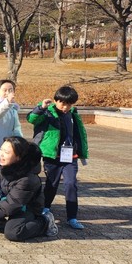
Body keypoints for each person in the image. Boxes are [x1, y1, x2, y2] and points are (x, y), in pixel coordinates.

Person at [27, 86, 89, 230]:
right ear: (56, 100)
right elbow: (32, 118)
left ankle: (72, 217)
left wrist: (81, 151)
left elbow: (79, 133)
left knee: (71, 184)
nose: (65, 107)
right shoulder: (48, 112)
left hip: (70, 156)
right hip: (52, 156)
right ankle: (45, 208)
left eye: (69, 104)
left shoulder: (73, 114)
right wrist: (41, 107)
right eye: (62, 103)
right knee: (51, 184)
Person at [0, 137, 59, 242]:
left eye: (6, 152)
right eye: (1, 149)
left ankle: (45, 222)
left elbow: (13, 203)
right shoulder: (1, 164)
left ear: (18, 157)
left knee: (13, 233)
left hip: (25, 208)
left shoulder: (28, 179)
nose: (1, 154)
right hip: (7, 201)